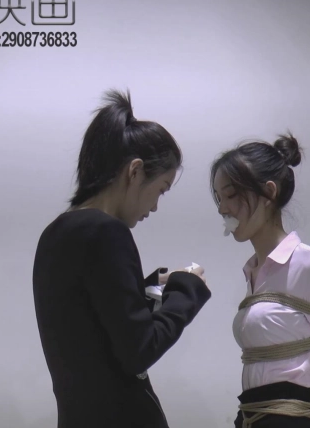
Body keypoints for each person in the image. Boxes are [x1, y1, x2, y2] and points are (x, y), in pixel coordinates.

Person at [32, 89, 212, 428]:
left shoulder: (55, 233)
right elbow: (139, 349)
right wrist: (187, 290)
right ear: (135, 171)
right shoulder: (107, 232)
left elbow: (93, 319)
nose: (154, 206)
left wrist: (150, 286)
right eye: (161, 189)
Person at [211, 133, 310, 428]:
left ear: (269, 192)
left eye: (231, 195)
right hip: (254, 413)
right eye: (219, 198)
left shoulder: (309, 263)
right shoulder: (253, 270)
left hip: (294, 417)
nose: (222, 208)